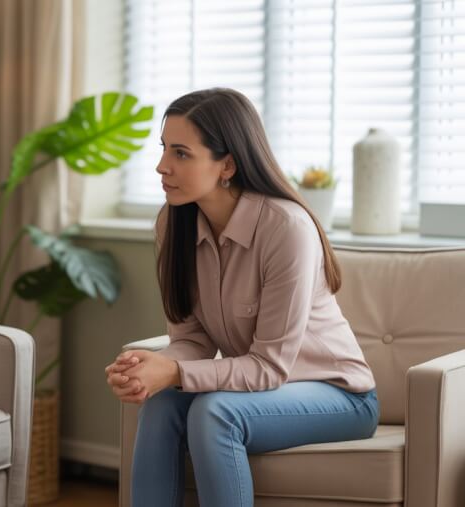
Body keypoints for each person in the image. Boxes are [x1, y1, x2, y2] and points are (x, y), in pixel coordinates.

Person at [104, 88, 378, 507]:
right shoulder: (172, 224)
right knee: (161, 406)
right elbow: (194, 340)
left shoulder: (286, 227)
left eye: (181, 153)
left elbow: (269, 367)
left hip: (339, 395)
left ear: (227, 164)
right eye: (163, 149)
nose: (161, 166)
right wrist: (153, 367)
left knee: (215, 412)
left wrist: (176, 372)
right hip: (264, 388)